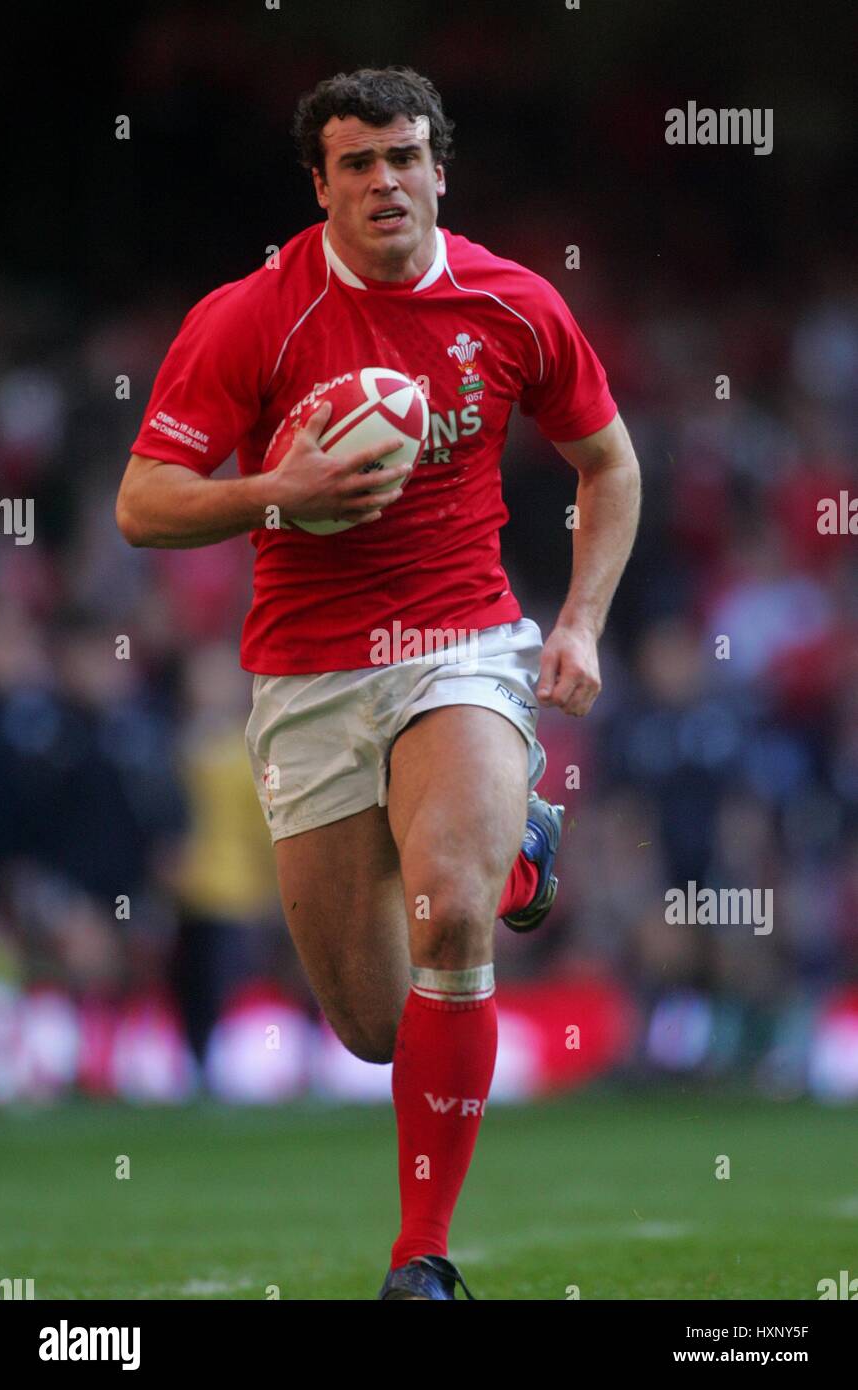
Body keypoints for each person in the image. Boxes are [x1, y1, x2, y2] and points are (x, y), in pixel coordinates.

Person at [117, 65, 641, 1300]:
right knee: (370, 1024)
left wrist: (580, 623)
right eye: (356, 164)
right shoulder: (252, 316)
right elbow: (143, 504)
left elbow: (607, 465)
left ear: (437, 170)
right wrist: (272, 491)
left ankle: (421, 1259)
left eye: (403, 157)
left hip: (459, 643)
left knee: (449, 914)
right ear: (322, 186)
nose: (383, 182)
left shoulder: (512, 304)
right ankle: (523, 845)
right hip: (304, 673)